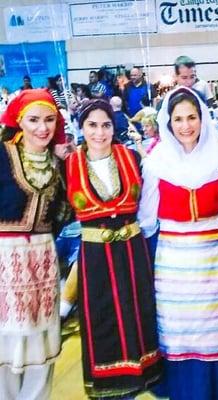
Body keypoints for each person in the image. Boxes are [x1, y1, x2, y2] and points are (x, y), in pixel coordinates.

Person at [138, 86, 218, 400]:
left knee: (216, 334)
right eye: (179, 119)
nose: (186, 125)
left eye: (192, 117)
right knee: (177, 333)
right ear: (168, 122)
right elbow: (148, 219)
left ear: (203, 119)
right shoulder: (156, 162)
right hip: (172, 263)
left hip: (212, 260)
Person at [65, 99, 162, 399]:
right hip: (95, 258)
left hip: (132, 252)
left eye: (105, 125)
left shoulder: (133, 157)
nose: (99, 132)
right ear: (81, 128)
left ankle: (144, 375)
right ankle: (111, 384)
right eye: (92, 125)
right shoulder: (68, 165)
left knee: (138, 312)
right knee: (102, 318)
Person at [0, 88, 69, 399]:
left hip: (43, 261)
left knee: (41, 340)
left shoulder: (59, 165)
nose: (43, 128)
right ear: (19, 122)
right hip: (5, 262)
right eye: (34, 120)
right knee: (7, 339)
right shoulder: (2, 155)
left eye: (49, 120)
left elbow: (65, 215)